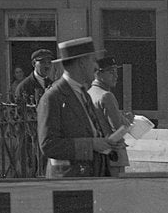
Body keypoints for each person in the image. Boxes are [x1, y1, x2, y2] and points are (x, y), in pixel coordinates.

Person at [37, 37, 119, 178]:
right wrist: (92, 144)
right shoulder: (53, 97)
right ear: (81, 63)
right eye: (92, 60)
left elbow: (88, 132)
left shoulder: (83, 94)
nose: (95, 66)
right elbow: (48, 145)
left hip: (91, 177)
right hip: (70, 184)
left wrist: (105, 143)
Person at [88, 56, 131, 175]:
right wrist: (127, 121)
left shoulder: (88, 94)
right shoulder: (106, 96)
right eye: (111, 72)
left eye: (116, 72)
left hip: (97, 156)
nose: (116, 76)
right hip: (113, 156)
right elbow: (118, 128)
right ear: (98, 73)